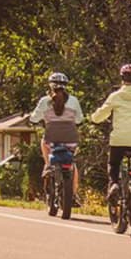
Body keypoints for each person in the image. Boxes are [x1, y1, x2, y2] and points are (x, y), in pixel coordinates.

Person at [91, 63, 131, 203]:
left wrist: (94, 118)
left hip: (119, 139)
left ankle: (114, 183)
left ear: (122, 78)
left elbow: (99, 116)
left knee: (114, 164)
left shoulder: (115, 96)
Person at [30, 72, 84, 205]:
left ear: (50, 85)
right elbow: (79, 120)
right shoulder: (74, 100)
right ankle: (74, 194)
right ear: (66, 86)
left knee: (44, 142)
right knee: (72, 164)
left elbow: (34, 118)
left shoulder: (44, 101)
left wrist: (34, 120)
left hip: (51, 139)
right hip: (70, 139)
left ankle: (48, 166)